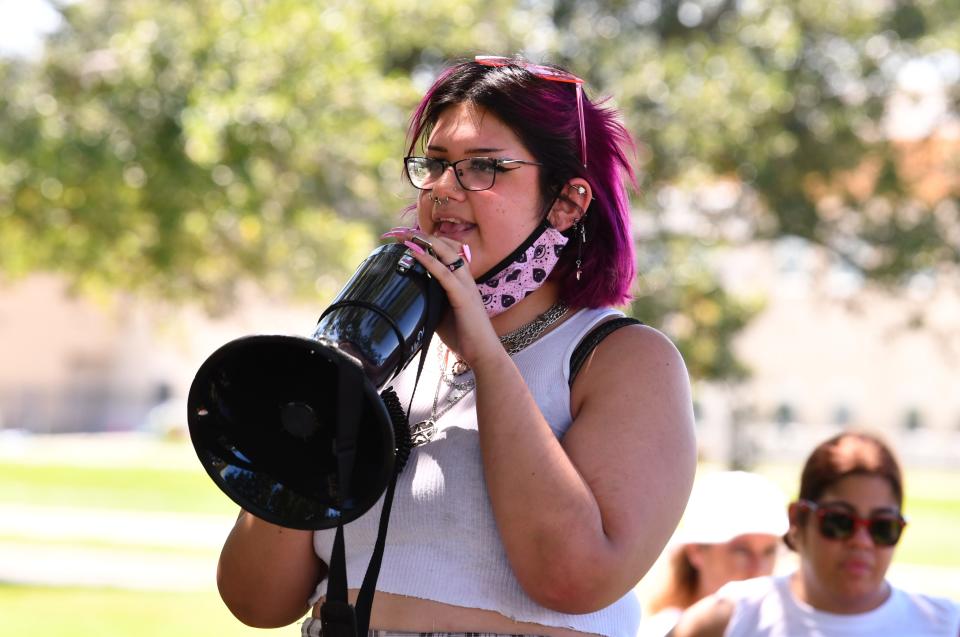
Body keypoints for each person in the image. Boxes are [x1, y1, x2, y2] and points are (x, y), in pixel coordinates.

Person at [215, 55, 697, 637]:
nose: (444, 188)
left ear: (567, 202)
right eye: (437, 164)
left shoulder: (622, 358)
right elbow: (255, 600)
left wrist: (487, 356)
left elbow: (575, 578)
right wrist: (318, 402)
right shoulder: (378, 353)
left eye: (484, 167)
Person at [670, 431, 960, 637]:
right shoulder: (731, 619)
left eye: (882, 527)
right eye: (839, 522)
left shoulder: (945, 625)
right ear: (798, 519)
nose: (861, 541)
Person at [638, 471, 788, 637]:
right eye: (741, 550)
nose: (758, 567)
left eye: (769, 551)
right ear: (696, 551)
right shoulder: (666, 628)